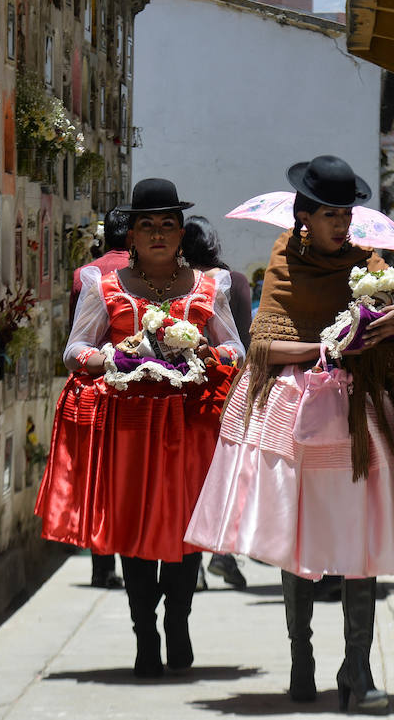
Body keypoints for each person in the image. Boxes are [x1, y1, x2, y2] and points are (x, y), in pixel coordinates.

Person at [186, 155, 394, 711]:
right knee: (297, 544)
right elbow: (263, 347)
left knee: (361, 543)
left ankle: (358, 669)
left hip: (364, 416)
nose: (341, 224)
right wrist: (328, 346)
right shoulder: (285, 264)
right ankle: (301, 657)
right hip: (298, 416)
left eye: (346, 212)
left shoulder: (369, 261)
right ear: (304, 216)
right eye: (330, 213)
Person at [36, 179, 244, 678]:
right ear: (131, 234)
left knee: (184, 529)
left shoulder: (210, 286)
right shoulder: (102, 286)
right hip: (128, 423)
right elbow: (74, 350)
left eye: (167, 225)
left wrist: (201, 354)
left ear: (180, 232)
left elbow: (235, 348)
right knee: (134, 530)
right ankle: (144, 632)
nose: (157, 234)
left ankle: (178, 621)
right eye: (146, 225)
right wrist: (112, 356)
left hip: (189, 423)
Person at [180, 216, 250, 591]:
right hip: (231, 389)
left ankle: (196, 563)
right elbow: (245, 342)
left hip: (189, 393)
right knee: (227, 475)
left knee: (193, 478)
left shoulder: (179, 286)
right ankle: (221, 553)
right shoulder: (234, 282)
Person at [69, 208, 131, 591]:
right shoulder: (155, 276)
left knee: (98, 476)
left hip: (95, 385)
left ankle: (101, 564)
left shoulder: (85, 274)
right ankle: (133, 552)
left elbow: (76, 334)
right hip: (140, 388)